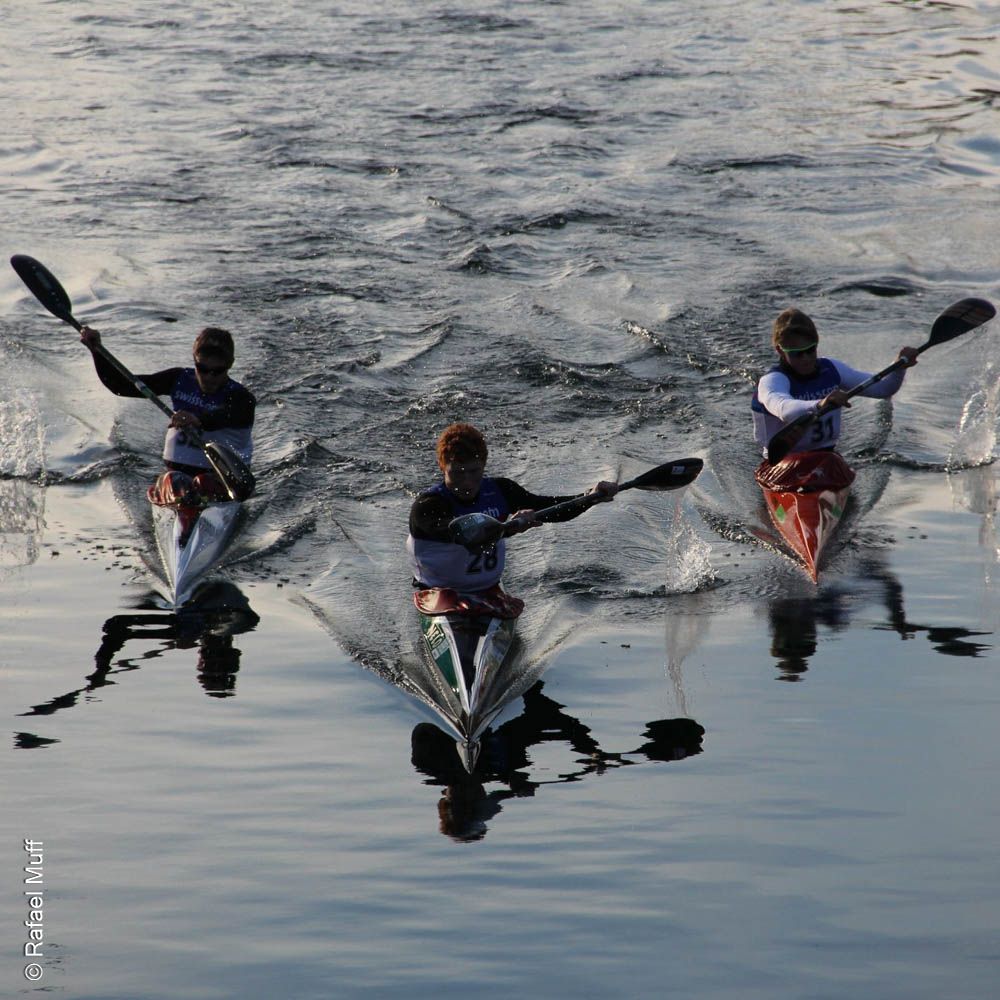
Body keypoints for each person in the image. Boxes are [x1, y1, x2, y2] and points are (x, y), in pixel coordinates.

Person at [407, 422, 618, 598]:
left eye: (474, 471)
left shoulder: (501, 490)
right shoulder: (428, 506)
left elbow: (552, 508)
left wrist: (590, 496)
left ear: (484, 465)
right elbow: (460, 533)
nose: (467, 482)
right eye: (457, 473)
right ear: (442, 467)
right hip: (436, 592)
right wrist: (509, 528)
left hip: (488, 589)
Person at [80, 325, 255, 510]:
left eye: (217, 371)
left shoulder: (242, 398)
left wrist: (198, 420)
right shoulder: (179, 379)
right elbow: (119, 385)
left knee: (203, 484)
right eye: (202, 369)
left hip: (224, 481)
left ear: (230, 364)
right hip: (178, 480)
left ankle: (193, 506)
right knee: (173, 481)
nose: (209, 377)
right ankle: (183, 507)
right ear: (194, 361)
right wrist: (96, 351)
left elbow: (226, 416)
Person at [752, 307, 919, 465]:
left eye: (811, 350)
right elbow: (784, 409)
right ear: (780, 351)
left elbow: (883, 389)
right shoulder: (772, 381)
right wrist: (820, 404)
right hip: (781, 462)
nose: (806, 358)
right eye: (796, 353)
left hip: (827, 457)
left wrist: (899, 367)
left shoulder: (831, 369)